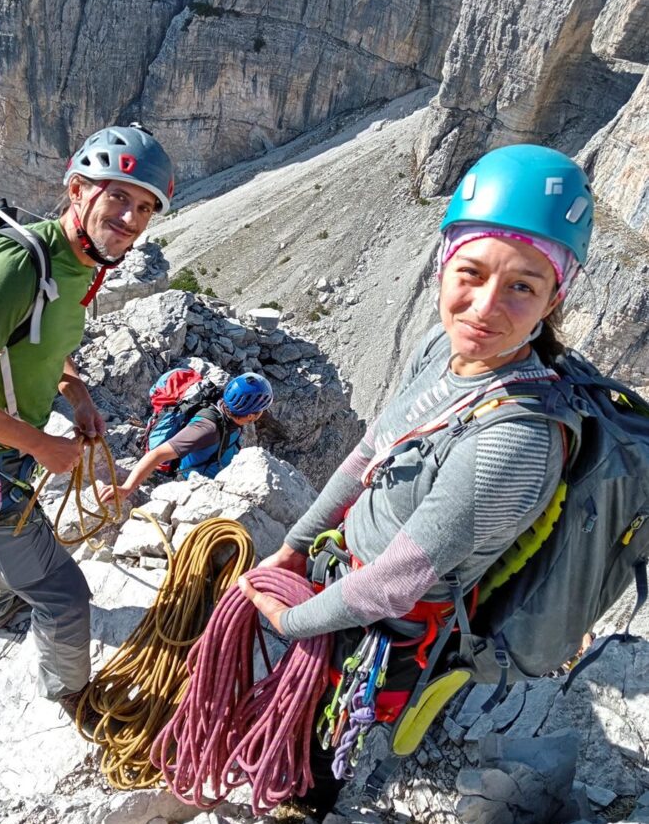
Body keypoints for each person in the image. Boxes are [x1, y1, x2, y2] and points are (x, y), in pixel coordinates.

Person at [239, 143, 592, 719]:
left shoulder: (516, 439)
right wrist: (295, 547)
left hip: (385, 632)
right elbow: (369, 452)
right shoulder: (440, 346)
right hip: (343, 576)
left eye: (522, 287)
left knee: (310, 753)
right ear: (443, 267)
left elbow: (394, 585)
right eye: (470, 274)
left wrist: (291, 621)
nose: (483, 307)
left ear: (555, 298)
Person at [0, 123, 174, 727]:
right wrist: (42, 445)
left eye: (144, 207)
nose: (132, 218)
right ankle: (70, 698)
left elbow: (39, 342)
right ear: (78, 189)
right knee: (64, 596)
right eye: (119, 196)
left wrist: (74, 390)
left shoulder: (81, 264)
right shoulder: (16, 265)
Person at [99, 372, 274, 504]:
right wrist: (127, 488)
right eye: (261, 410)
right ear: (251, 415)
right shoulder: (206, 429)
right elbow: (157, 454)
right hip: (194, 489)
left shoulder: (225, 406)